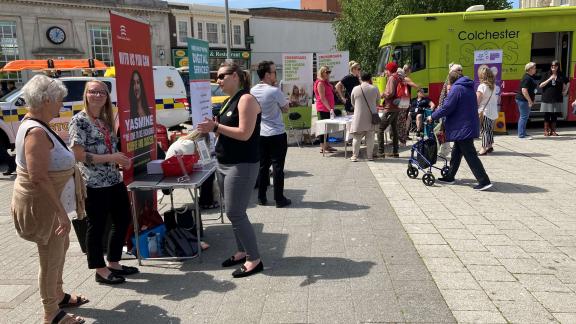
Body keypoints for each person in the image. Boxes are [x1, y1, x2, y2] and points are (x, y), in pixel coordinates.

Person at [11, 75, 88, 324]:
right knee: (50, 258)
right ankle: (51, 313)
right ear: (46, 100)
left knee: (60, 249)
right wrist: (60, 213)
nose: (61, 106)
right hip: (46, 210)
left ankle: (58, 294)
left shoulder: (38, 124)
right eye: (59, 101)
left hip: (52, 207)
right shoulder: (35, 131)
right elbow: (38, 178)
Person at [197, 61, 264, 278]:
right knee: (233, 212)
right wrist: (214, 129)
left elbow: (244, 133)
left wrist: (216, 127)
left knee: (235, 212)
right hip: (225, 162)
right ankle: (241, 251)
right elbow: (226, 131)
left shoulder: (246, 99)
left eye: (222, 76)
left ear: (236, 76)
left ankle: (254, 259)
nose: (218, 80)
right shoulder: (229, 101)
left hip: (242, 164)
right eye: (217, 76)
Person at [69, 80, 139, 285]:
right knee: (97, 226)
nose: (98, 95)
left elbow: (109, 150)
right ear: (86, 95)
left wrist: (121, 161)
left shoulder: (104, 120)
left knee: (123, 219)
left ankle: (114, 262)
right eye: (93, 92)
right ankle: (100, 269)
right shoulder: (79, 121)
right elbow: (79, 155)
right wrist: (112, 158)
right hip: (93, 183)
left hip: (113, 179)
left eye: (103, 92)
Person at [428, 71, 492, 191]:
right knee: (456, 153)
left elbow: (447, 107)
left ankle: (484, 181)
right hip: (466, 125)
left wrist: (432, 116)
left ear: (450, 81)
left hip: (463, 127)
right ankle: (450, 176)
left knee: (470, 155)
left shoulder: (457, 89)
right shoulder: (467, 87)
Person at [251, 60, 292, 208]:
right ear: (267, 74)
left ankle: (261, 197)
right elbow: (286, 109)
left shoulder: (253, 90)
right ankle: (279, 199)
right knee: (278, 167)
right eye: (274, 72)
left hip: (261, 133)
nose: (276, 74)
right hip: (276, 134)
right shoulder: (275, 91)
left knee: (263, 166)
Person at [349, 72, 378, 162]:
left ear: (360, 78)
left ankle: (354, 156)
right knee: (370, 137)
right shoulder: (375, 88)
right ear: (370, 78)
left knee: (357, 138)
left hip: (359, 116)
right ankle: (370, 156)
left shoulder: (355, 89)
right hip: (371, 117)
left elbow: (352, 102)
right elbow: (378, 102)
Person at [539, 60, 568, 136]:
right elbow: (540, 85)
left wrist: (565, 90)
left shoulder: (561, 74)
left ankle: (553, 131)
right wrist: (549, 79)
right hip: (547, 97)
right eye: (552, 66)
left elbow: (568, 82)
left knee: (555, 115)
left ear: (558, 67)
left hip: (557, 97)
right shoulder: (546, 74)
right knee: (547, 114)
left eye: (555, 66)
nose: (553, 67)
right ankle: (546, 131)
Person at [378, 62, 401, 158]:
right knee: (394, 129)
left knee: (380, 128)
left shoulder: (392, 78)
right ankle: (395, 152)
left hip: (390, 108)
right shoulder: (398, 77)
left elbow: (390, 93)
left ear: (389, 70)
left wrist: (383, 94)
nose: (385, 72)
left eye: (386, 69)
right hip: (396, 107)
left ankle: (380, 152)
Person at [477, 66, 499, 155]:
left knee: (484, 130)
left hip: (484, 111)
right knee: (489, 129)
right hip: (493, 111)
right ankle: (490, 146)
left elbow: (477, 100)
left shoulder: (481, 86)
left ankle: (483, 148)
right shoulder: (493, 85)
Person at [314, 66, 336, 153]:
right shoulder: (320, 83)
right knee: (322, 128)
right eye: (327, 72)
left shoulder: (325, 82)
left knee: (327, 128)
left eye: (329, 72)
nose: (328, 74)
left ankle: (326, 145)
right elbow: (322, 98)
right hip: (323, 108)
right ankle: (322, 146)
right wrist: (330, 108)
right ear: (322, 72)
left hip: (328, 108)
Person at [515, 62, 537, 140]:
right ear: (530, 69)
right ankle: (521, 135)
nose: (535, 69)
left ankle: (523, 133)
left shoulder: (529, 77)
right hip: (523, 100)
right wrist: (530, 101)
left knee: (525, 117)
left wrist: (531, 100)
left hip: (525, 100)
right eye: (534, 68)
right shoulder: (527, 78)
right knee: (523, 117)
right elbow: (524, 90)